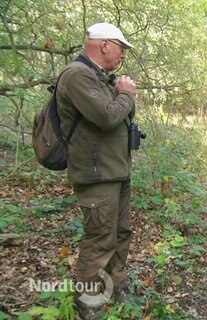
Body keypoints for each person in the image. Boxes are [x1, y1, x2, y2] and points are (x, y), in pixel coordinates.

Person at [56, 22, 137, 319]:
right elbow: (106, 116)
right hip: (96, 174)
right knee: (101, 237)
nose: (122, 55)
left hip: (115, 171)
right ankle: (87, 299)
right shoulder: (77, 75)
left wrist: (122, 94)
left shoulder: (100, 78)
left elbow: (122, 117)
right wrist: (127, 94)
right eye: (121, 48)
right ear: (104, 45)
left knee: (121, 232)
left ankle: (117, 283)